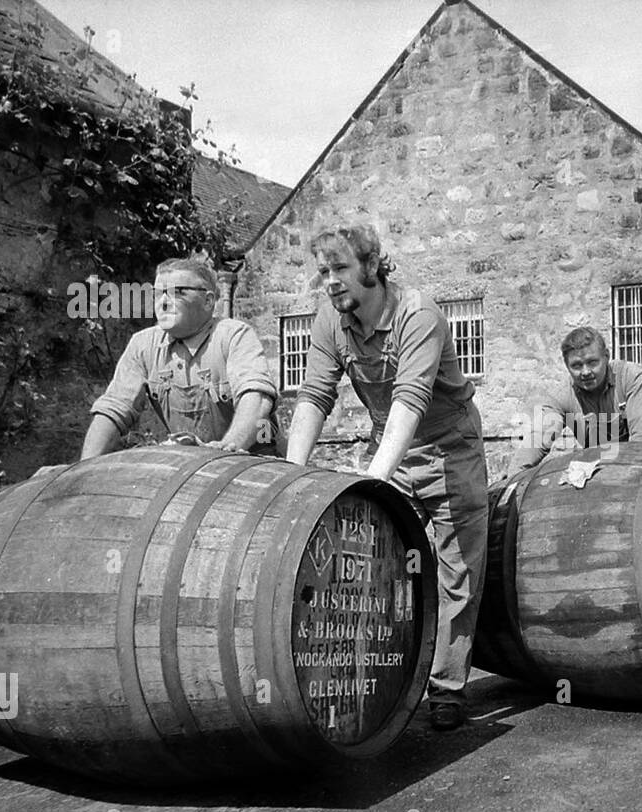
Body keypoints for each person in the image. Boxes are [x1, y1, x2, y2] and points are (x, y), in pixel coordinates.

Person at [285, 223, 487, 732]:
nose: (330, 282)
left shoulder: (417, 315)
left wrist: (372, 484)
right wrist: (289, 477)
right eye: (323, 271)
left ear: (372, 267)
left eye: (341, 270)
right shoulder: (331, 321)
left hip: (448, 450)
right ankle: (384, 680)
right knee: (378, 562)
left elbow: (410, 400)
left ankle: (446, 687)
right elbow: (314, 396)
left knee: (456, 573)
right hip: (391, 445)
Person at [83, 258, 280, 458]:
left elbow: (256, 400)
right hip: (194, 466)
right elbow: (113, 410)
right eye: (158, 294)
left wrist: (228, 448)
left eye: (179, 292)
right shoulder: (142, 345)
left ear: (208, 301)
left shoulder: (233, 336)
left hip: (256, 463)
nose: (164, 302)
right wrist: (83, 471)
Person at [507, 326, 642, 474]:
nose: (585, 372)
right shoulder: (562, 396)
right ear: (566, 366)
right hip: (601, 471)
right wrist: (513, 479)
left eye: (592, 362)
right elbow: (537, 439)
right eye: (577, 365)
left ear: (606, 356)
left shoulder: (630, 377)